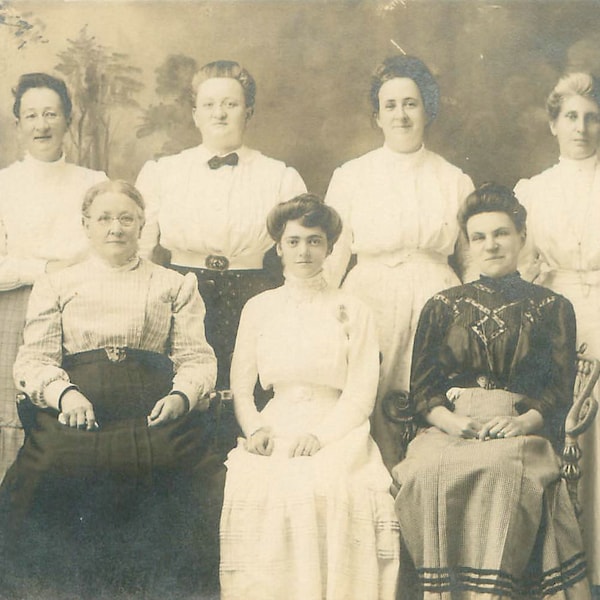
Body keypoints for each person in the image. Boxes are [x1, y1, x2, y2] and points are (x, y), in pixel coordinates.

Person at [0, 180, 218, 598]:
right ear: (86, 225)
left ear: (142, 225)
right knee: (46, 470)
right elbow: (34, 361)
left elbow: (197, 358)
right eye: (104, 218)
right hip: (78, 411)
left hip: (153, 411)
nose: (115, 228)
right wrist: (65, 394)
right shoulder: (57, 284)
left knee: (188, 471)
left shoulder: (174, 284)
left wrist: (181, 397)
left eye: (126, 218)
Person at [392, 183, 589, 599]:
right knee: (425, 473)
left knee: (503, 473)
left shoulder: (552, 307)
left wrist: (520, 422)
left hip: (521, 425)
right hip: (451, 425)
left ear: (521, 237)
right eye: (479, 237)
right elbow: (423, 389)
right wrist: (453, 422)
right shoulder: (442, 305)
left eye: (501, 233)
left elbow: (558, 388)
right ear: (467, 245)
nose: (491, 245)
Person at [219, 194, 399, 600]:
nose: (304, 251)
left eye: (315, 241)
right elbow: (243, 389)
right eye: (295, 240)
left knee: (328, 484)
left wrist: (321, 436)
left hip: (339, 426)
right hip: (276, 421)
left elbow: (360, 393)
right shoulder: (259, 308)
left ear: (330, 248)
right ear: (278, 246)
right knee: (264, 485)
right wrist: (257, 428)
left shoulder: (353, 309)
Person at [324, 55, 474, 470]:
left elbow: (470, 261)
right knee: (367, 402)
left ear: (427, 108)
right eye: (390, 105)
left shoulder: (454, 179)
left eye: (411, 103)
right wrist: (327, 312)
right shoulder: (351, 176)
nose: (401, 114)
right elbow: (334, 254)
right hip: (369, 297)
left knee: (431, 402)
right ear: (377, 115)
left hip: (437, 299)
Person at [135, 59, 306, 421]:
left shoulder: (279, 176)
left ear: (249, 111)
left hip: (254, 293)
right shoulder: (163, 173)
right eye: (210, 105)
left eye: (231, 104)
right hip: (182, 291)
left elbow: (299, 251)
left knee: (249, 397)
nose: (220, 113)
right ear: (195, 114)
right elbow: (143, 248)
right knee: (183, 393)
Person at [514, 72, 600, 596]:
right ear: (553, 123)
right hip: (560, 321)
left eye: (593, 118)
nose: (582, 127)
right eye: (572, 116)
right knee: (568, 441)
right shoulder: (533, 191)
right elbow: (520, 270)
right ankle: (568, 575)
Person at [0, 73, 106, 480]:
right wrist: (45, 269)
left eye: (51, 114)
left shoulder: (93, 183)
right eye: (31, 115)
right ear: (18, 124)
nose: (41, 125)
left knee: (74, 405)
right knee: (11, 411)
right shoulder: (5, 184)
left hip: (81, 309)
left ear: (68, 120)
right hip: (14, 309)